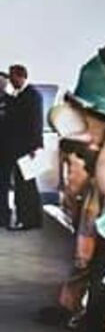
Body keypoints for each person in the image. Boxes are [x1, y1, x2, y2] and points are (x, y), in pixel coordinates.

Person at [7, 64, 44, 230]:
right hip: (21, 148)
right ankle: (30, 219)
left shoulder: (32, 95)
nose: (10, 80)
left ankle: (28, 220)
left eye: (12, 77)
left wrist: (35, 145)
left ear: (21, 76)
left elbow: (36, 122)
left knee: (25, 185)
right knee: (25, 184)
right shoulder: (21, 95)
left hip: (26, 149)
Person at [0, 71, 14, 228]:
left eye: (2, 82)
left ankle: (3, 217)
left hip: (6, 150)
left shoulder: (12, 102)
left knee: (3, 185)